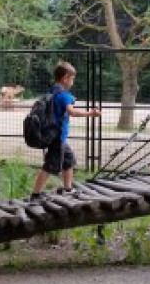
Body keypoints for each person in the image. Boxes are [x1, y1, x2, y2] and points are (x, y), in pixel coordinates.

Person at [31, 62, 101, 199]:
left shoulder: (53, 91)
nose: (73, 82)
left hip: (54, 136)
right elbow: (71, 112)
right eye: (72, 78)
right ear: (65, 78)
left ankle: (68, 189)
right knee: (49, 166)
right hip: (58, 137)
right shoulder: (65, 95)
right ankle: (36, 194)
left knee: (68, 160)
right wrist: (90, 113)